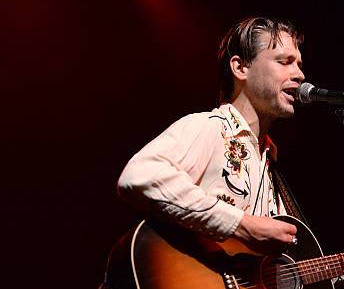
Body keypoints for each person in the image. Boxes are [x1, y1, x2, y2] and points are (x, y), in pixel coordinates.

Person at [117, 17, 306, 256]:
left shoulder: (271, 162)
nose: (299, 74)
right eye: (284, 62)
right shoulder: (209, 128)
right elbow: (139, 176)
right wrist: (242, 224)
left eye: (299, 64)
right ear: (240, 68)